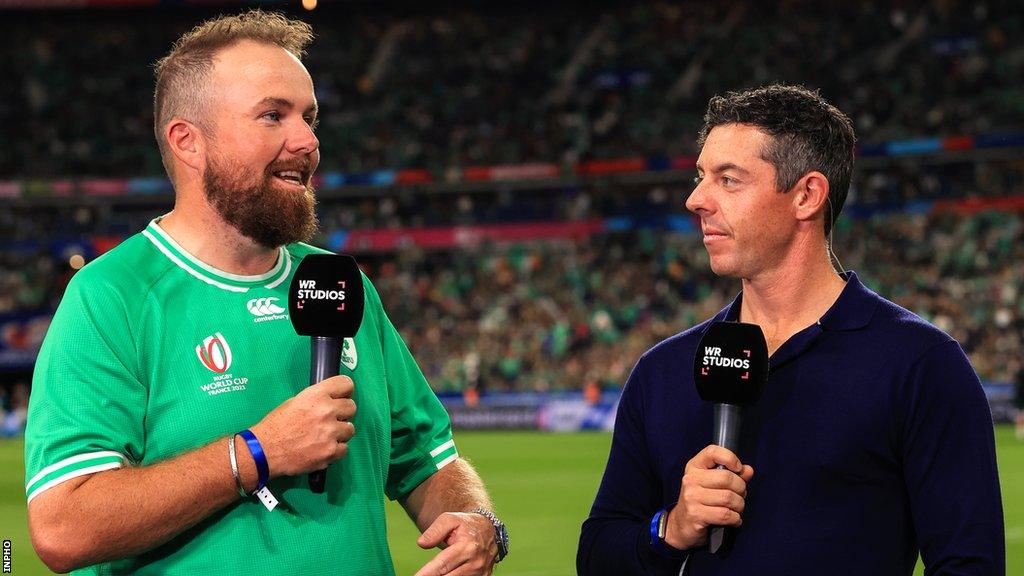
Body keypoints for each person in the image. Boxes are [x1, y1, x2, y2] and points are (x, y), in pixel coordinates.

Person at [25, 11, 507, 576]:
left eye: (310, 118)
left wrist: (478, 522)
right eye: (272, 116)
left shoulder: (341, 283)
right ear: (189, 142)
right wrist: (256, 452)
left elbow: (428, 461)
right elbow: (62, 528)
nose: (307, 142)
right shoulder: (111, 297)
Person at [577, 84, 1004, 575]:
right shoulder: (662, 371)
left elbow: (970, 564)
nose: (696, 199)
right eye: (700, 177)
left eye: (729, 180)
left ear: (806, 195)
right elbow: (597, 556)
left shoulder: (920, 364)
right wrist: (670, 529)